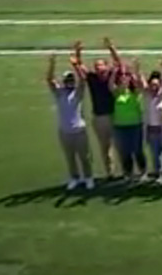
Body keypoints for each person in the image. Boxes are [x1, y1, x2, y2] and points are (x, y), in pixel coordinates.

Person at [46, 54, 94, 190]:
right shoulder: (59, 92)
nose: (70, 82)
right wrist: (52, 63)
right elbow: (49, 79)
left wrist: (76, 66)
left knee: (84, 157)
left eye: (71, 80)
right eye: (68, 80)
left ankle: (88, 177)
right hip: (65, 132)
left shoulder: (77, 93)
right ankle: (75, 178)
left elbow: (83, 80)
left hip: (79, 131)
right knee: (70, 157)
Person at [71, 40, 116, 180]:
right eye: (96, 66)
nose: (98, 68)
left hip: (115, 116)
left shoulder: (111, 76)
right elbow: (79, 66)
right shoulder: (92, 78)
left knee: (121, 145)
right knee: (105, 147)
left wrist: (111, 49)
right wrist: (78, 52)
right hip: (99, 118)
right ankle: (110, 172)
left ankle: (127, 172)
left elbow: (119, 63)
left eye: (101, 65)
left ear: (106, 66)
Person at [110, 58, 148, 181]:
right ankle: (128, 173)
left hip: (135, 125)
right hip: (120, 126)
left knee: (137, 150)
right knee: (125, 151)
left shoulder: (135, 93)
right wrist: (115, 71)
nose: (124, 80)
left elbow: (141, 85)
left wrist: (136, 71)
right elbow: (110, 85)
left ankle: (143, 172)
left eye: (126, 78)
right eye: (122, 79)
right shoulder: (117, 93)